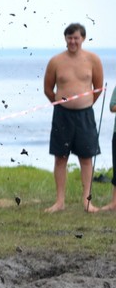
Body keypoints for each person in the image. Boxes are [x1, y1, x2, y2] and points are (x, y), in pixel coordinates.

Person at [42, 22, 103, 213]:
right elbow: (48, 89)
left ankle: (87, 201)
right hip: (62, 115)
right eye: (69, 38)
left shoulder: (93, 59)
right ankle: (60, 202)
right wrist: (61, 104)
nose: (73, 42)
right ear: (65, 39)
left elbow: (98, 88)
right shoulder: (56, 61)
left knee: (86, 158)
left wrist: (85, 103)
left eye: (76, 38)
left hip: (85, 115)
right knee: (60, 158)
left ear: (83, 38)